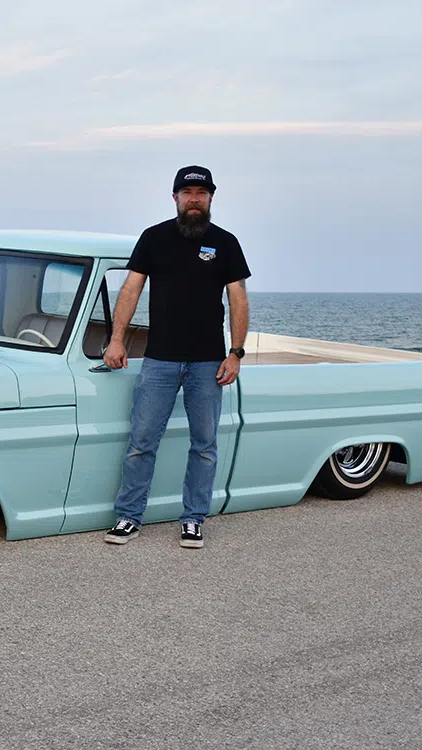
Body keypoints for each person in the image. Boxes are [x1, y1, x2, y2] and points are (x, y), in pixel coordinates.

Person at [103, 165, 251, 549]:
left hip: (208, 363)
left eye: (202, 193)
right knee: (141, 442)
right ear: (175, 198)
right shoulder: (153, 238)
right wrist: (116, 340)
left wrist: (235, 352)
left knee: (204, 445)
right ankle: (128, 516)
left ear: (211, 198)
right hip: (160, 361)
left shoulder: (226, 242)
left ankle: (193, 519)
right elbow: (131, 290)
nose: (195, 199)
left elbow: (238, 299)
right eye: (188, 193)